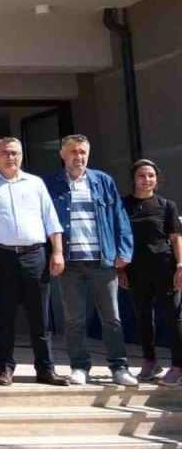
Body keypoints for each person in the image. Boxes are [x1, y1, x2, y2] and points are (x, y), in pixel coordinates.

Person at [0, 137, 68, 387]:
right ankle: (5, 368)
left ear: (22, 155)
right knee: (4, 316)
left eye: (14, 153)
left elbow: (51, 220)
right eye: (5, 153)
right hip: (1, 257)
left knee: (40, 317)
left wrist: (57, 252)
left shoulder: (36, 183)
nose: (10, 158)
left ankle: (46, 369)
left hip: (35, 255)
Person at [44, 135, 137, 387]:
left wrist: (124, 251)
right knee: (74, 319)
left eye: (83, 152)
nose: (79, 157)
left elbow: (120, 217)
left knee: (112, 318)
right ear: (62, 154)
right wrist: (53, 253)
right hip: (70, 262)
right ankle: (79, 366)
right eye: (73, 151)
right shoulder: (51, 183)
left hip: (102, 260)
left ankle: (119, 367)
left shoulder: (103, 181)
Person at [123, 159, 182, 385]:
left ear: (157, 179)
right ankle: (150, 362)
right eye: (141, 175)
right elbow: (119, 236)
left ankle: (178, 366)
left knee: (173, 315)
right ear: (133, 179)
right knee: (143, 316)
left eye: (151, 175)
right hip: (136, 269)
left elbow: (176, 238)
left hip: (164, 267)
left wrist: (180, 266)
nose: (146, 180)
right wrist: (120, 270)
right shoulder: (123, 205)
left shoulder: (167, 205)